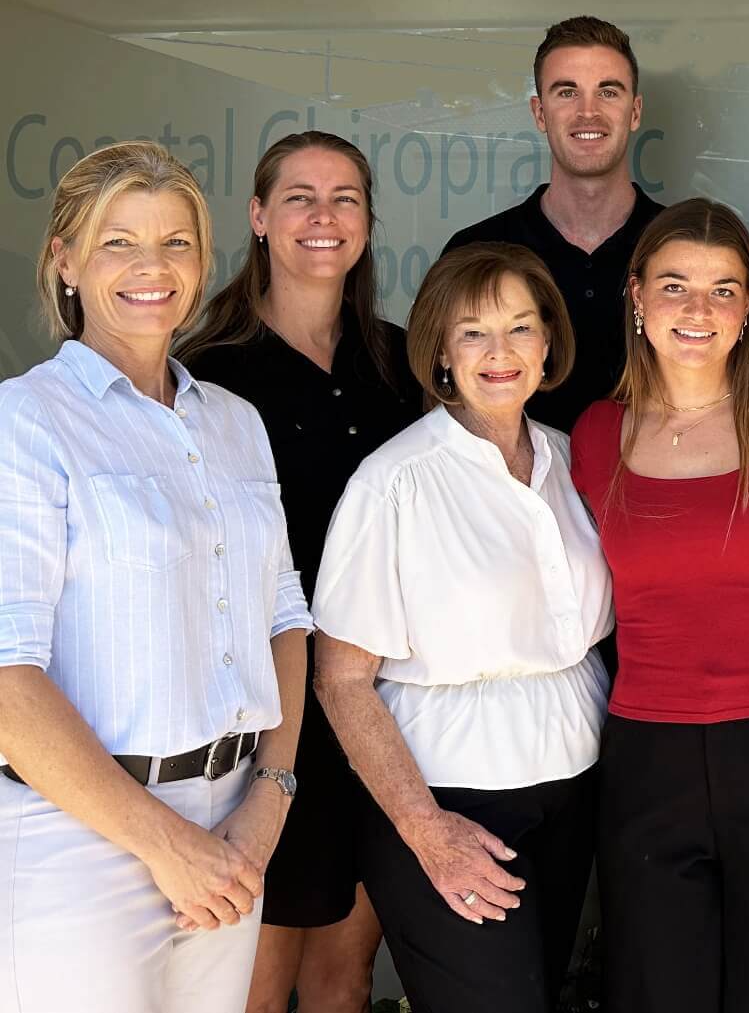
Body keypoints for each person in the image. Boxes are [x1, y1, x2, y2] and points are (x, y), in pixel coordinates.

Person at [0, 141, 310, 1012]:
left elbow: (285, 619)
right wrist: (163, 844)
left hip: (234, 823)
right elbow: (6, 675)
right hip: (79, 842)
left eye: (176, 243)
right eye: (117, 243)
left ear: (204, 261)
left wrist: (271, 798)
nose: (152, 267)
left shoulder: (236, 423)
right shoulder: (24, 423)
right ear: (64, 259)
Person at [568, 200, 749, 1013]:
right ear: (635, 295)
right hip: (644, 758)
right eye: (675, 286)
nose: (698, 310)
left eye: (723, 289)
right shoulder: (594, 434)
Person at [311, 243, 611, 1013]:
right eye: (473, 332)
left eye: (520, 327)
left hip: (573, 786)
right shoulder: (394, 482)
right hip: (450, 799)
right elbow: (341, 679)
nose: (501, 352)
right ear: (441, 351)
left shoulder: (572, 460)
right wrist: (424, 827)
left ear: (549, 340)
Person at [180, 130, 420, 1013]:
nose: (324, 216)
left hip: (378, 709)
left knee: (343, 979)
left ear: (366, 221)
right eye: (300, 197)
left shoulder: (402, 365)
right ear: (259, 217)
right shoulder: (205, 375)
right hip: (267, 720)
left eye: (346, 197)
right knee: (253, 981)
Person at [444, 15, 664, 432]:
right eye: (567, 92)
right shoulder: (476, 251)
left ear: (635, 111)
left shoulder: (685, 248)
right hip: (509, 492)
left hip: (656, 492)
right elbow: (447, 410)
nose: (588, 112)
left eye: (608, 92)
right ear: (539, 113)